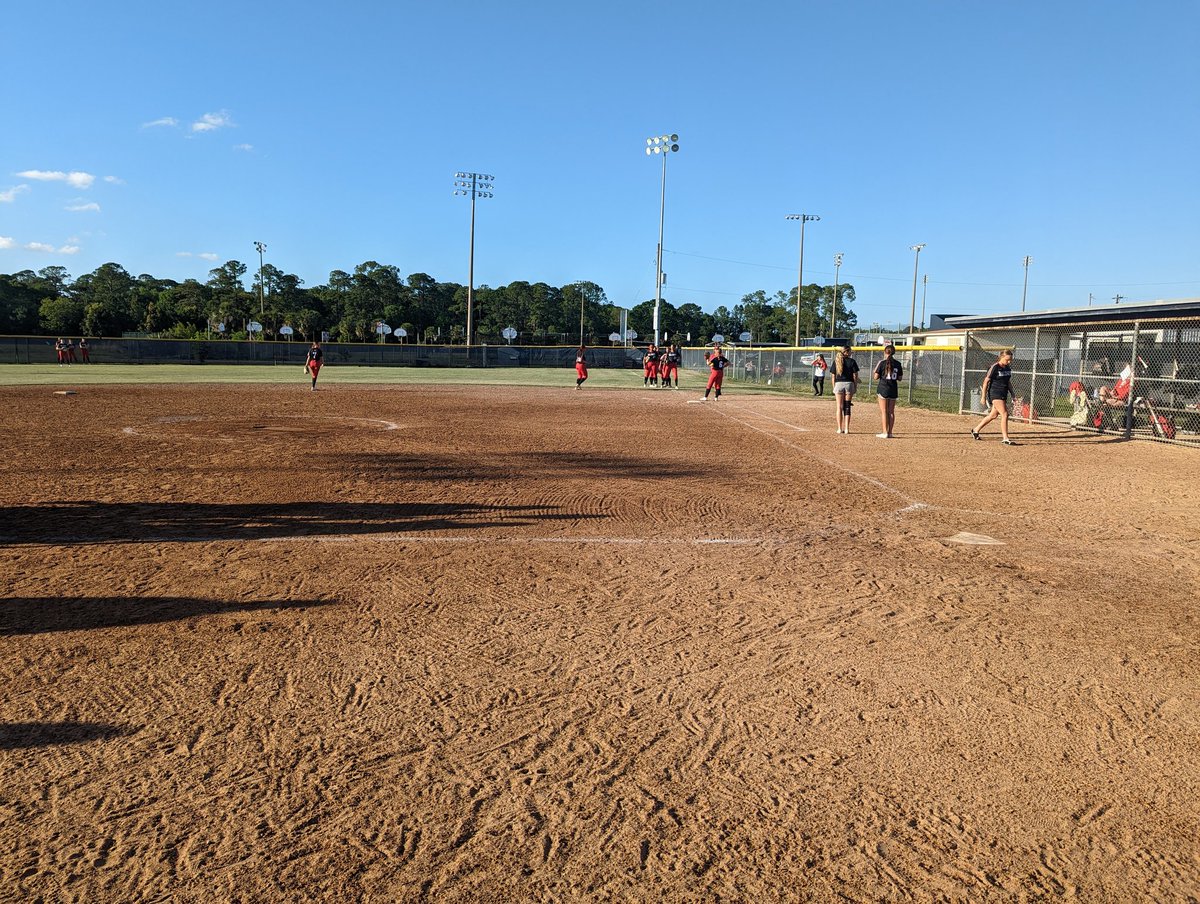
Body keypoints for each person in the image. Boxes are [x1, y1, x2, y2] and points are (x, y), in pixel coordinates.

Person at [972, 348, 1016, 444]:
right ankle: (1005, 438)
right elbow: (985, 382)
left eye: (1010, 360)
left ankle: (975, 430)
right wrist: (983, 396)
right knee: (1004, 414)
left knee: (993, 415)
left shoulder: (1008, 368)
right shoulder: (994, 367)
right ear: (1001, 357)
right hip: (995, 393)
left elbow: (1008, 382)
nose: (1009, 362)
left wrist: (1013, 394)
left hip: (1004, 393)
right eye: (1007, 359)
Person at [873, 345, 903, 438]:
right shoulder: (898, 364)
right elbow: (900, 378)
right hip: (893, 388)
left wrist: (877, 367)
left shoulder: (882, 363)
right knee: (891, 412)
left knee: (884, 411)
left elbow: (875, 377)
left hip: (883, 388)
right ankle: (890, 432)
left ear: (885, 352)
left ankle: (884, 432)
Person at [832, 345, 860, 433]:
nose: (851, 353)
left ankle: (840, 428)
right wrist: (855, 386)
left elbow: (833, 376)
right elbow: (855, 375)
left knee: (839, 407)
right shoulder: (852, 361)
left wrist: (834, 387)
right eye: (850, 351)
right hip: (849, 384)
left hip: (838, 384)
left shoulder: (836, 361)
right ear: (846, 352)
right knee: (847, 407)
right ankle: (847, 428)